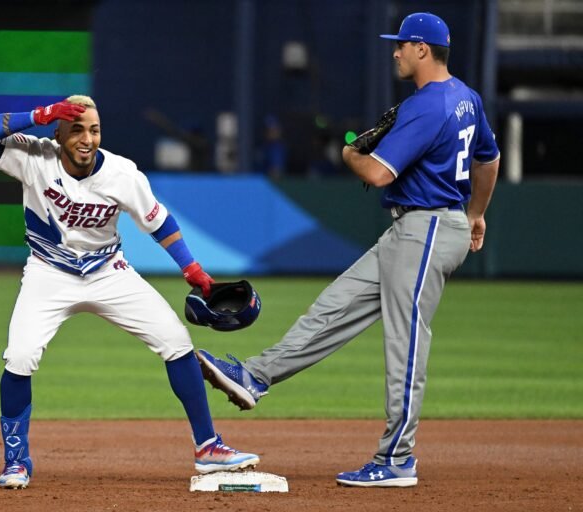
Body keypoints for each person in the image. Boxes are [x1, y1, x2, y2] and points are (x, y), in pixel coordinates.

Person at [196, 12, 500, 488]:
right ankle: (256, 376)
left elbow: (378, 173)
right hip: (421, 227)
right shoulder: (466, 98)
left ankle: (398, 459)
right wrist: (477, 214)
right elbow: (489, 157)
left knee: (405, 344)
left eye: (402, 44)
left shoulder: (428, 105)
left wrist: (349, 153)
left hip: (428, 228)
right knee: (333, 307)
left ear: (423, 49)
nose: (395, 51)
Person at [0, 95, 259, 489]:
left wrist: (191, 268)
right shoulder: (35, 156)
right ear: (58, 133)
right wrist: (38, 115)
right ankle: (16, 461)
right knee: (20, 356)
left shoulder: (122, 174)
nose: (87, 139)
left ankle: (208, 446)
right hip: (48, 273)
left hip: (108, 271)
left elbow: (159, 221)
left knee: (175, 340)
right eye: (77, 130)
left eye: (95, 129)